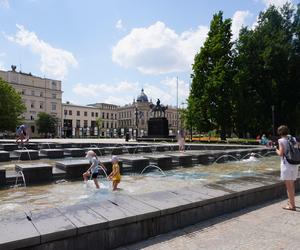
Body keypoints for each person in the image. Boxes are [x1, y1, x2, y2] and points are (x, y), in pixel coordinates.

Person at [276, 125, 298, 211]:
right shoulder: (293, 139)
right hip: (295, 164)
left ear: (280, 133)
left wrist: (276, 150)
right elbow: (296, 149)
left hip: (287, 165)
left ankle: (292, 206)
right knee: (292, 185)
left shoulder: (281, 140)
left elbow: (281, 153)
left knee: (289, 186)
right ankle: (291, 202)